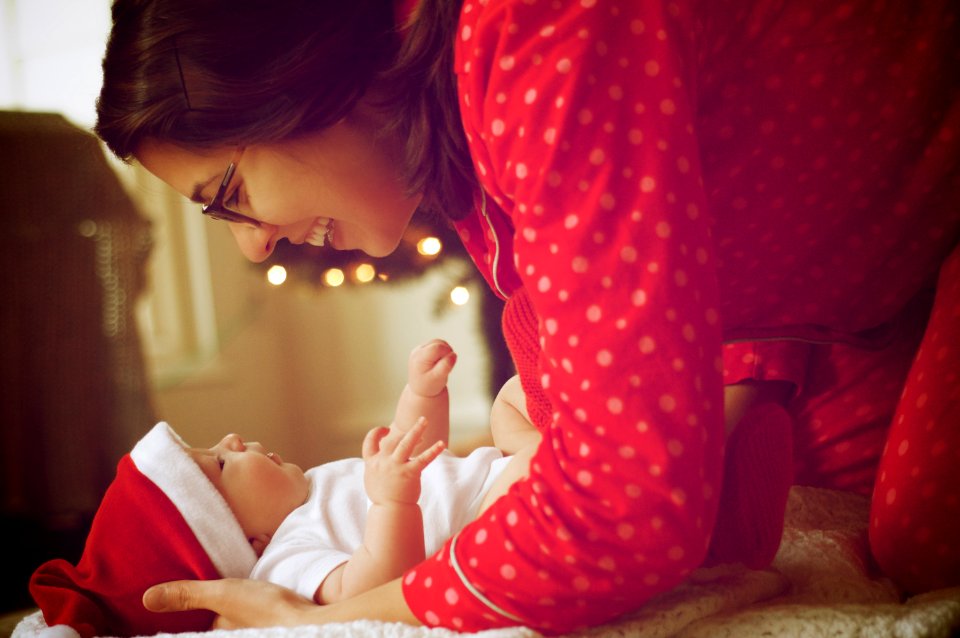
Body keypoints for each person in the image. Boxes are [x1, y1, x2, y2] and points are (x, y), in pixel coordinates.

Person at [93, 0, 960, 634]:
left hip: (892, 259)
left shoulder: (533, 30)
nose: (253, 250)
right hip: (835, 308)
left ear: (287, 75)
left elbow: (623, 509)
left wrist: (333, 622)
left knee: (922, 545)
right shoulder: (457, 129)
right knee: (840, 532)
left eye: (231, 195)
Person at [29, 340, 540, 637]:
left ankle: (567, 443)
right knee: (540, 460)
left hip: (496, 472)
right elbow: (373, 586)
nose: (230, 439)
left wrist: (420, 394)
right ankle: (573, 452)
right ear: (241, 540)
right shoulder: (286, 560)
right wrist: (393, 501)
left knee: (510, 400)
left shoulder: (314, 489)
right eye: (223, 464)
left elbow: (416, 453)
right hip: (488, 518)